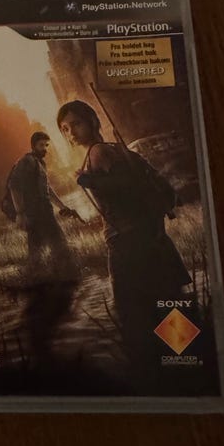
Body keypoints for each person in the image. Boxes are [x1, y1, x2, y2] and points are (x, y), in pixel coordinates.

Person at [57, 100, 192, 370]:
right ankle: (183, 360)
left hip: (128, 243)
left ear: (92, 121)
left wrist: (88, 180)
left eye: (76, 124)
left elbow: (127, 187)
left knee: (134, 309)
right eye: (65, 129)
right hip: (145, 237)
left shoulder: (98, 152)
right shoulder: (110, 150)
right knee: (163, 298)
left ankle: (157, 369)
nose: (71, 133)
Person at [9, 132, 76, 273]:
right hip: (34, 213)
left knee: (43, 247)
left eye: (46, 145)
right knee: (50, 245)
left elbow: (47, 189)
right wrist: (20, 213)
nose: (45, 148)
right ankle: (58, 274)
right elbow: (14, 186)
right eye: (41, 145)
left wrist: (62, 207)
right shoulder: (27, 161)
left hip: (46, 211)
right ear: (33, 146)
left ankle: (50, 274)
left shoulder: (41, 163)